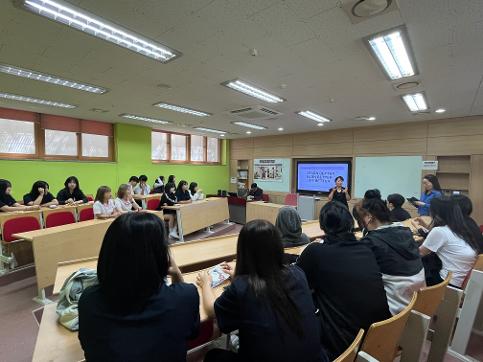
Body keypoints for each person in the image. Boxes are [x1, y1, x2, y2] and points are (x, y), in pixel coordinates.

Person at [197, 220, 329, 362]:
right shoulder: (297, 274)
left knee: (212, 355)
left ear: (243, 251)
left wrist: (206, 283)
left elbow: (212, 311)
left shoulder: (242, 287)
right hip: (316, 358)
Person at [78, 213, 200, 361]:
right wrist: (176, 273)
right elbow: (192, 332)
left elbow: (86, 345)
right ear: (161, 256)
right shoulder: (186, 296)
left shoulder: (89, 301)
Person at [297, 202, 390, 359]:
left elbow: (297, 281)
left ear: (322, 225)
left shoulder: (315, 251)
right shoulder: (365, 249)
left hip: (344, 347)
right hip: (379, 338)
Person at [357, 198, 425, 315]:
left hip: (395, 311)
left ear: (368, 217)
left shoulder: (371, 242)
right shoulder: (405, 231)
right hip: (419, 302)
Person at [418, 196, 481, 287]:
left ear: (437, 214)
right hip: (461, 280)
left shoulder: (440, 231)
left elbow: (419, 253)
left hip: (446, 282)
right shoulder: (463, 229)